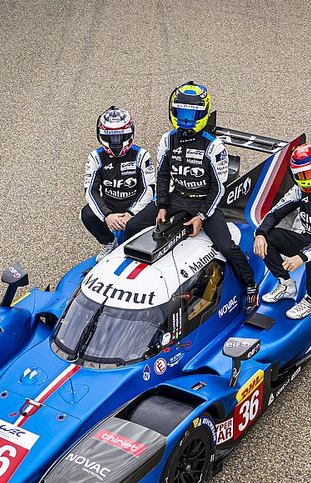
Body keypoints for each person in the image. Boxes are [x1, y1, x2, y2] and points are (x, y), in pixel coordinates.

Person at [124, 82, 258, 313]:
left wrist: (201, 216)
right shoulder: (167, 139)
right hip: (177, 198)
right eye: (182, 113)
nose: (186, 119)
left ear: (202, 114)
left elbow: (218, 189)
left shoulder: (215, 147)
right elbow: (163, 173)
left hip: (205, 202)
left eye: (192, 114)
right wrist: (162, 205)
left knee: (226, 247)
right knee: (133, 225)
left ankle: (250, 286)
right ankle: (122, 277)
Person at [253, 142, 311, 320]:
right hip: (308, 240)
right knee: (269, 237)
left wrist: (302, 256)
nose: (307, 179)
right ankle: (286, 284)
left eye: (310, 173)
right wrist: (260, 233)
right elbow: (275, 213)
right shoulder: (299, 190)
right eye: (301, 175)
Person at [82, 106, 155, 261]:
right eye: (111, 137)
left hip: (135, 204)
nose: (116, 142)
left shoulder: (142, 155)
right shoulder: (95, 157)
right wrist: (107, 215)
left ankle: (137, 247)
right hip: (111, 205)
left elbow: (149, 189)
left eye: (121, 136)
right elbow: (90, 191)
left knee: (135, 226)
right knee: (86, 214)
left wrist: (131, 214)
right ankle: (109, 242)